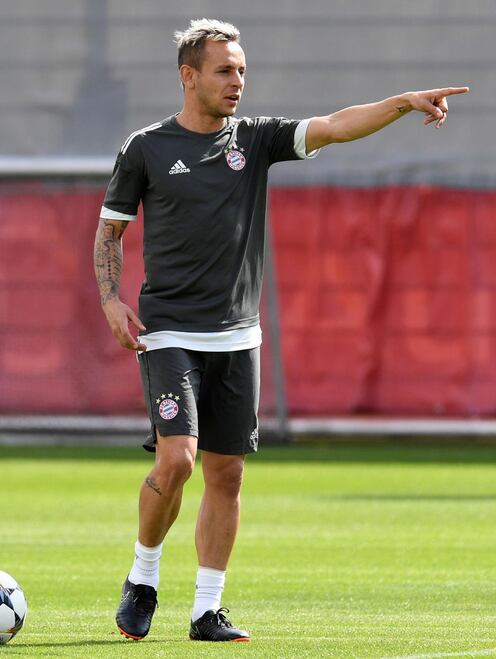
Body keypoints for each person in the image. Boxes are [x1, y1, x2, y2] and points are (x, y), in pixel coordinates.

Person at [93, 17, 468, 643]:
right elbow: (110, 231)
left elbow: (336, 125)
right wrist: (109, 300)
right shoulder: (146, 148)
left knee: (227, 474)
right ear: (189, 77)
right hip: (169, 333)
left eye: (242, 70)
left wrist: (402, 103)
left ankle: (206, 610)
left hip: (239, 337)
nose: (238, 81)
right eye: (224, 70)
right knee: (178, 459)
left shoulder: (257, 139)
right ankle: (144, 576)